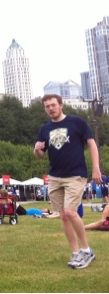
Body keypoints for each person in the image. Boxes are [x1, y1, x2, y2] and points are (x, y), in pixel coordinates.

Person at [34, 94, 102, 269]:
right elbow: (40, 155)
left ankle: (86, 251)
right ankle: (76, 252)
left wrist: (96, 168)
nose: (51, 108)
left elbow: (92, 145)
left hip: (75, 174)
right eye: (47, 106)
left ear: (61, 105)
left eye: (53, 105)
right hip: (55, 176)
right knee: (63, 215)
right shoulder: (45, 129)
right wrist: (37, 150)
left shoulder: (77, 122)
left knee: (71, 212)